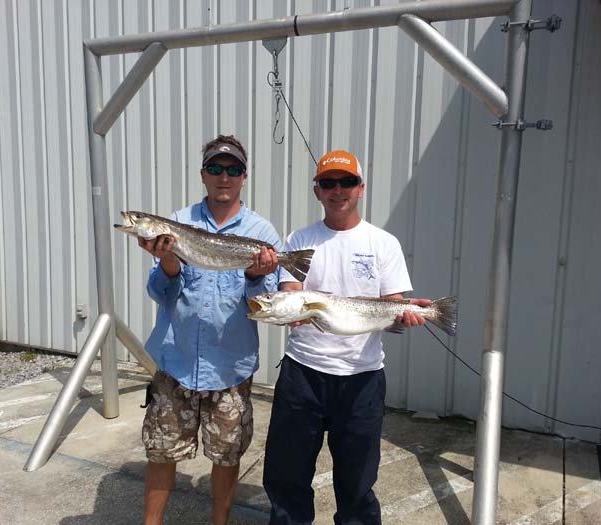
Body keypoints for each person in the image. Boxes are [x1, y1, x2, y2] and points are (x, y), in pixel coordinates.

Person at [262, 150, 432, 524]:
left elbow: (392, 303)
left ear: (361, 188)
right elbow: (291, 291)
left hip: (362, 379)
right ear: (317, 191)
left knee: (357, 484)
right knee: (286, 476)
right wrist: (286, 310)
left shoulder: (383, 243)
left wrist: (406, 312)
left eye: (347, 182)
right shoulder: (300, 239)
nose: (338, 190)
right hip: (302, 375)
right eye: (328, 183)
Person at [138, 134, 281, 525]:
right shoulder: (178, 224)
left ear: (244, 176)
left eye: (233, 169)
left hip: (230, 366)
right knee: (161, 452)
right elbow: (160, 293)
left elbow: (265, 307)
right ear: (203, 174)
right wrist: (170, 263)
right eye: (215, 168)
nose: (224, 176)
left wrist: (255, 275)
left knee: (227, 456)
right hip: (177, 361)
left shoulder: (262, 233)